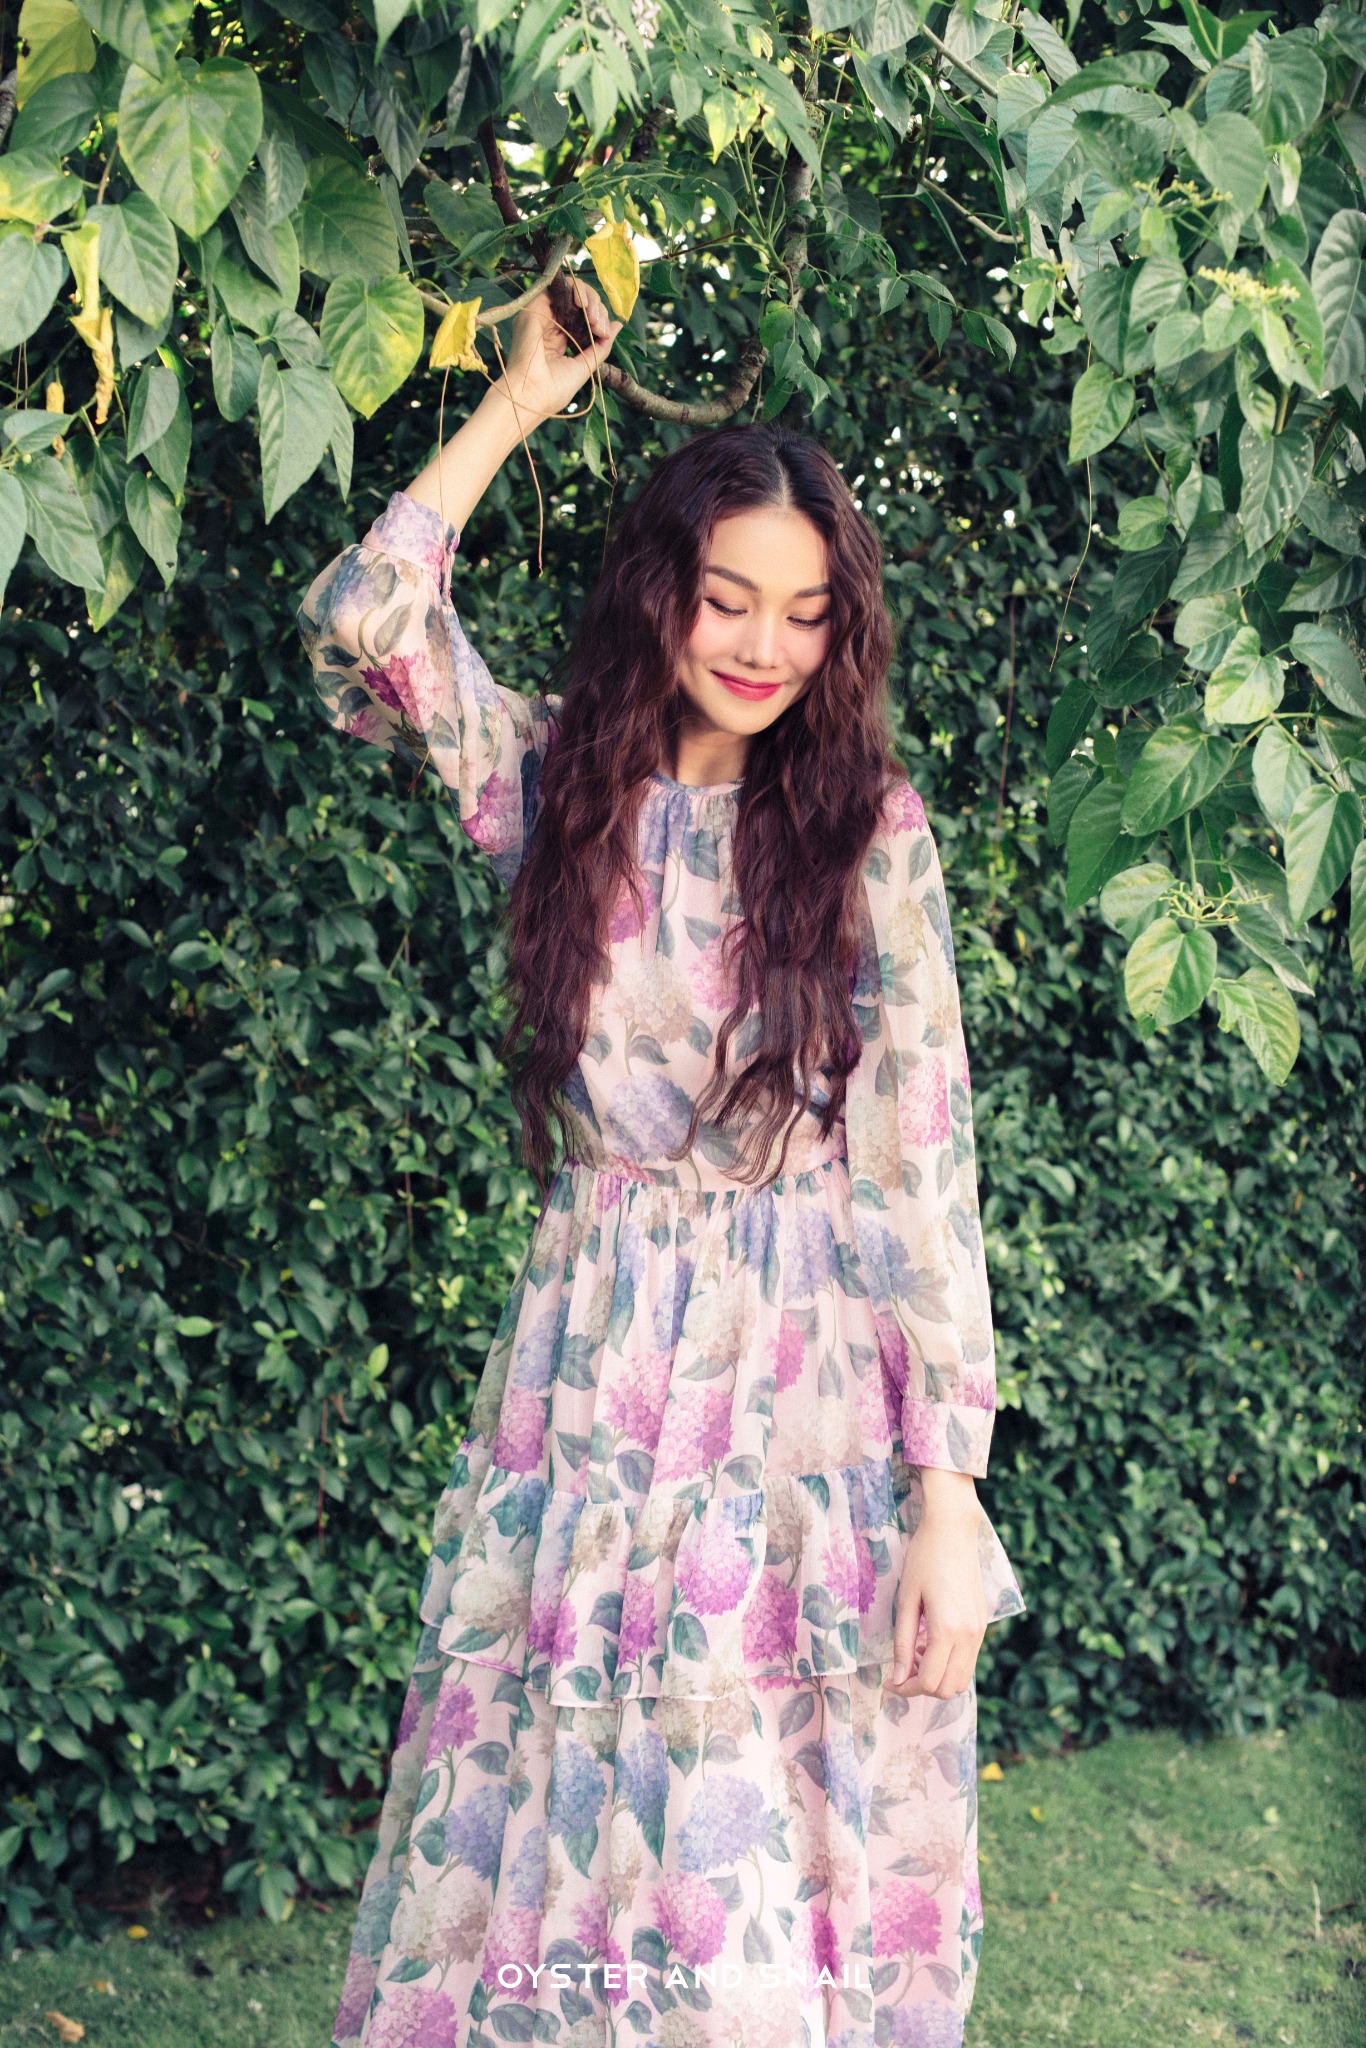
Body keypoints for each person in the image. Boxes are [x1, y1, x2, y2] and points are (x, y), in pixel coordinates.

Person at [295, 279, 1025, 2048]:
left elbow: (919, 1167)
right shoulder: (558, 787)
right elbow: (361, 627)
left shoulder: (864, 837)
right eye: (728, 599)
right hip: (593, 1382)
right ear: (662, 595)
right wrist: (514, 404)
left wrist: (948, 1490)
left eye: (804, 613)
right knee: (553, 1812)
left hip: (799, 1409)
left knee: (751, 1847)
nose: (764, 646)